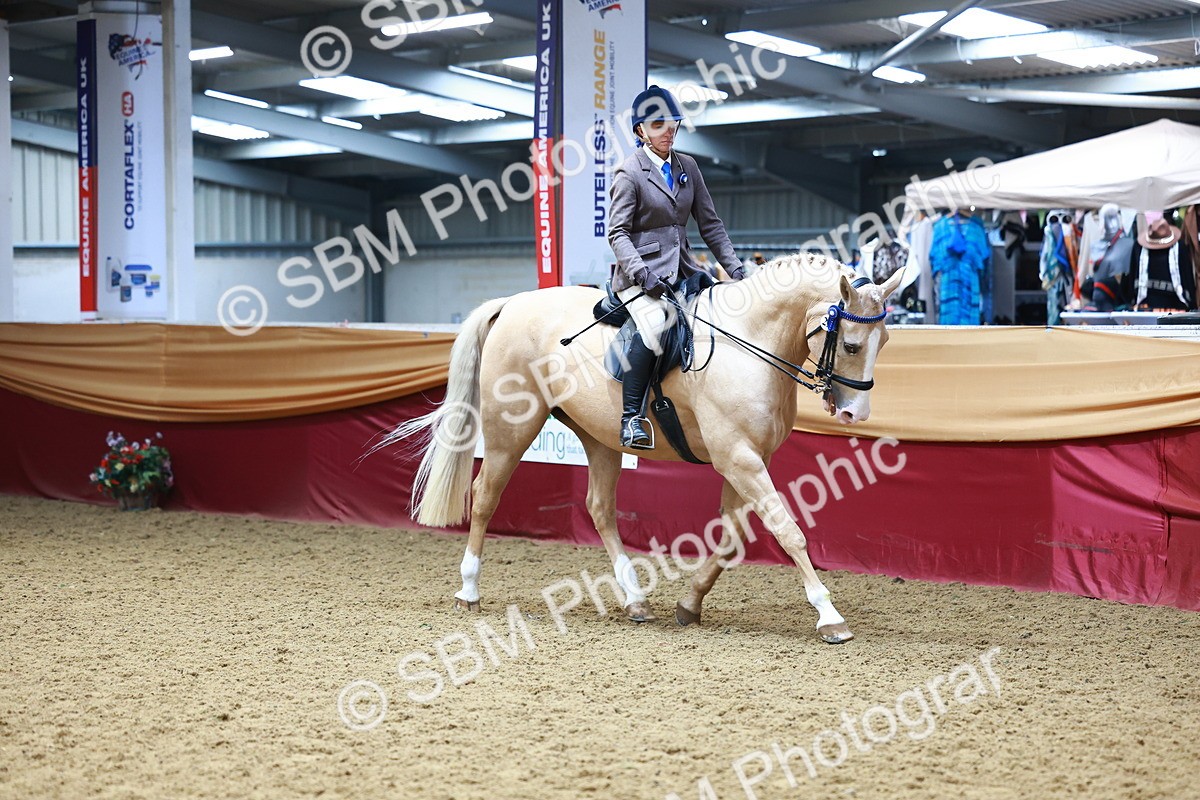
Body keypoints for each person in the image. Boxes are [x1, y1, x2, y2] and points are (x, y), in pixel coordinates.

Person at [607, 85, 746, 449]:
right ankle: (631, 418)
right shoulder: (629, 173)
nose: (668, 131)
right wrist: (642, 274)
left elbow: (710, 225)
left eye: (672, 124)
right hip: (640, 275)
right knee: (656, 323)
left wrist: (737, 270)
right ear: (641, 130)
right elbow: (617, 233)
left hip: (682, 269)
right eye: (659, 125)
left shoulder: (689, 167)